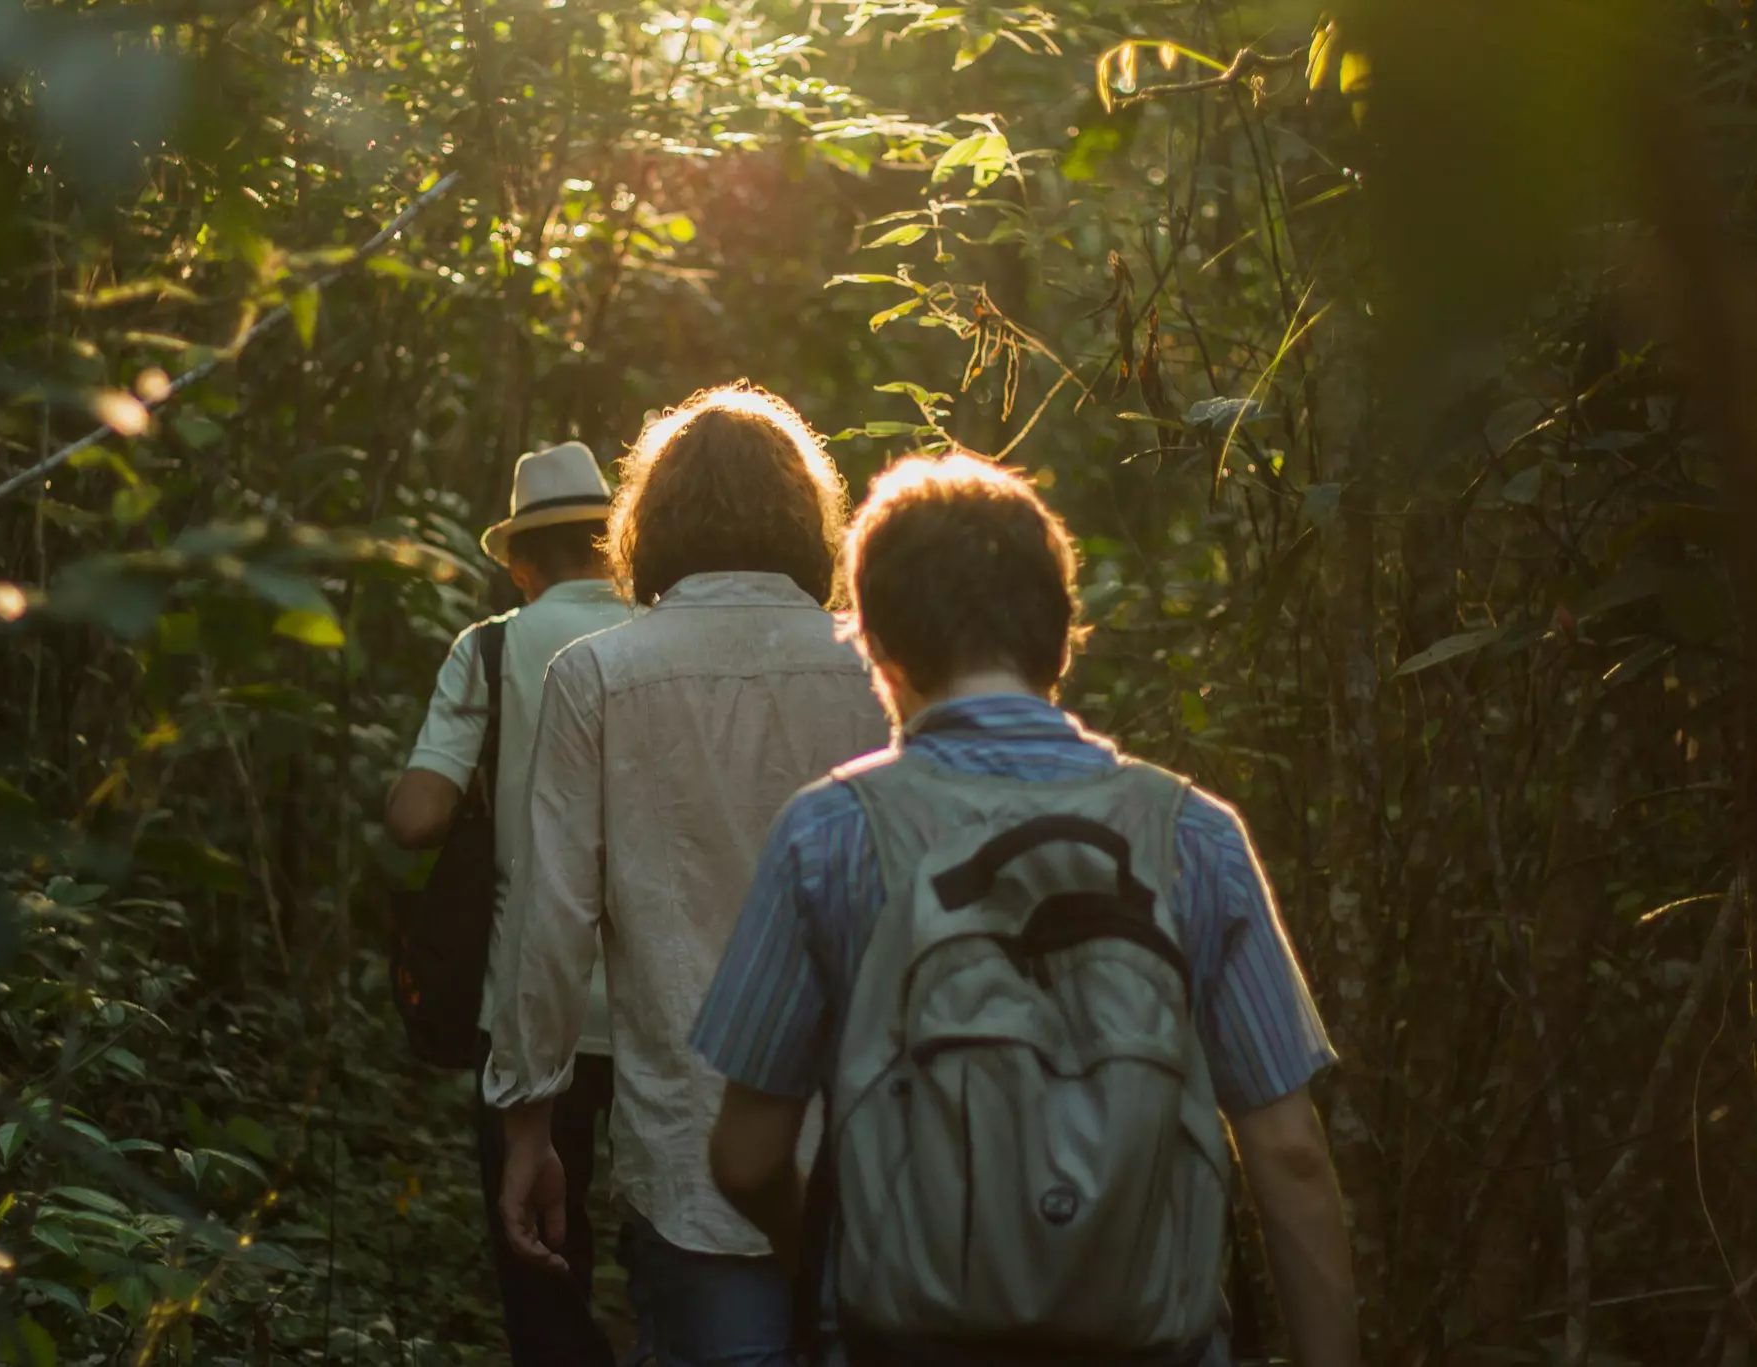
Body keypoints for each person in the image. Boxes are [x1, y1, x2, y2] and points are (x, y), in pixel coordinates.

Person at [691, 452, 1361, 1367]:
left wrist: (834, 1257)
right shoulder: (1194, 836)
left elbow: (745, 1157)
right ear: (1062, 639)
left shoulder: (830, 834)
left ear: (878, 649)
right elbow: (1289, 1154)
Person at [483, 383, 891, 1367]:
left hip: (693, 1150)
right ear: (808, 518)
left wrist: (528, 1121)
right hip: (877, 1152)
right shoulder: (881, 669)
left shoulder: (596, 675)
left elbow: (550, 920)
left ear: (649, 523)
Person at [387, 441, 636, 1367]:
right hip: (659, 1005)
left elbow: (417, 817)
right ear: (614, 545)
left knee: (540, 1255)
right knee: (670, 1245)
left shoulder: (490, 647)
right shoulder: (663, 637)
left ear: (521, 561)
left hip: (527, 1006)